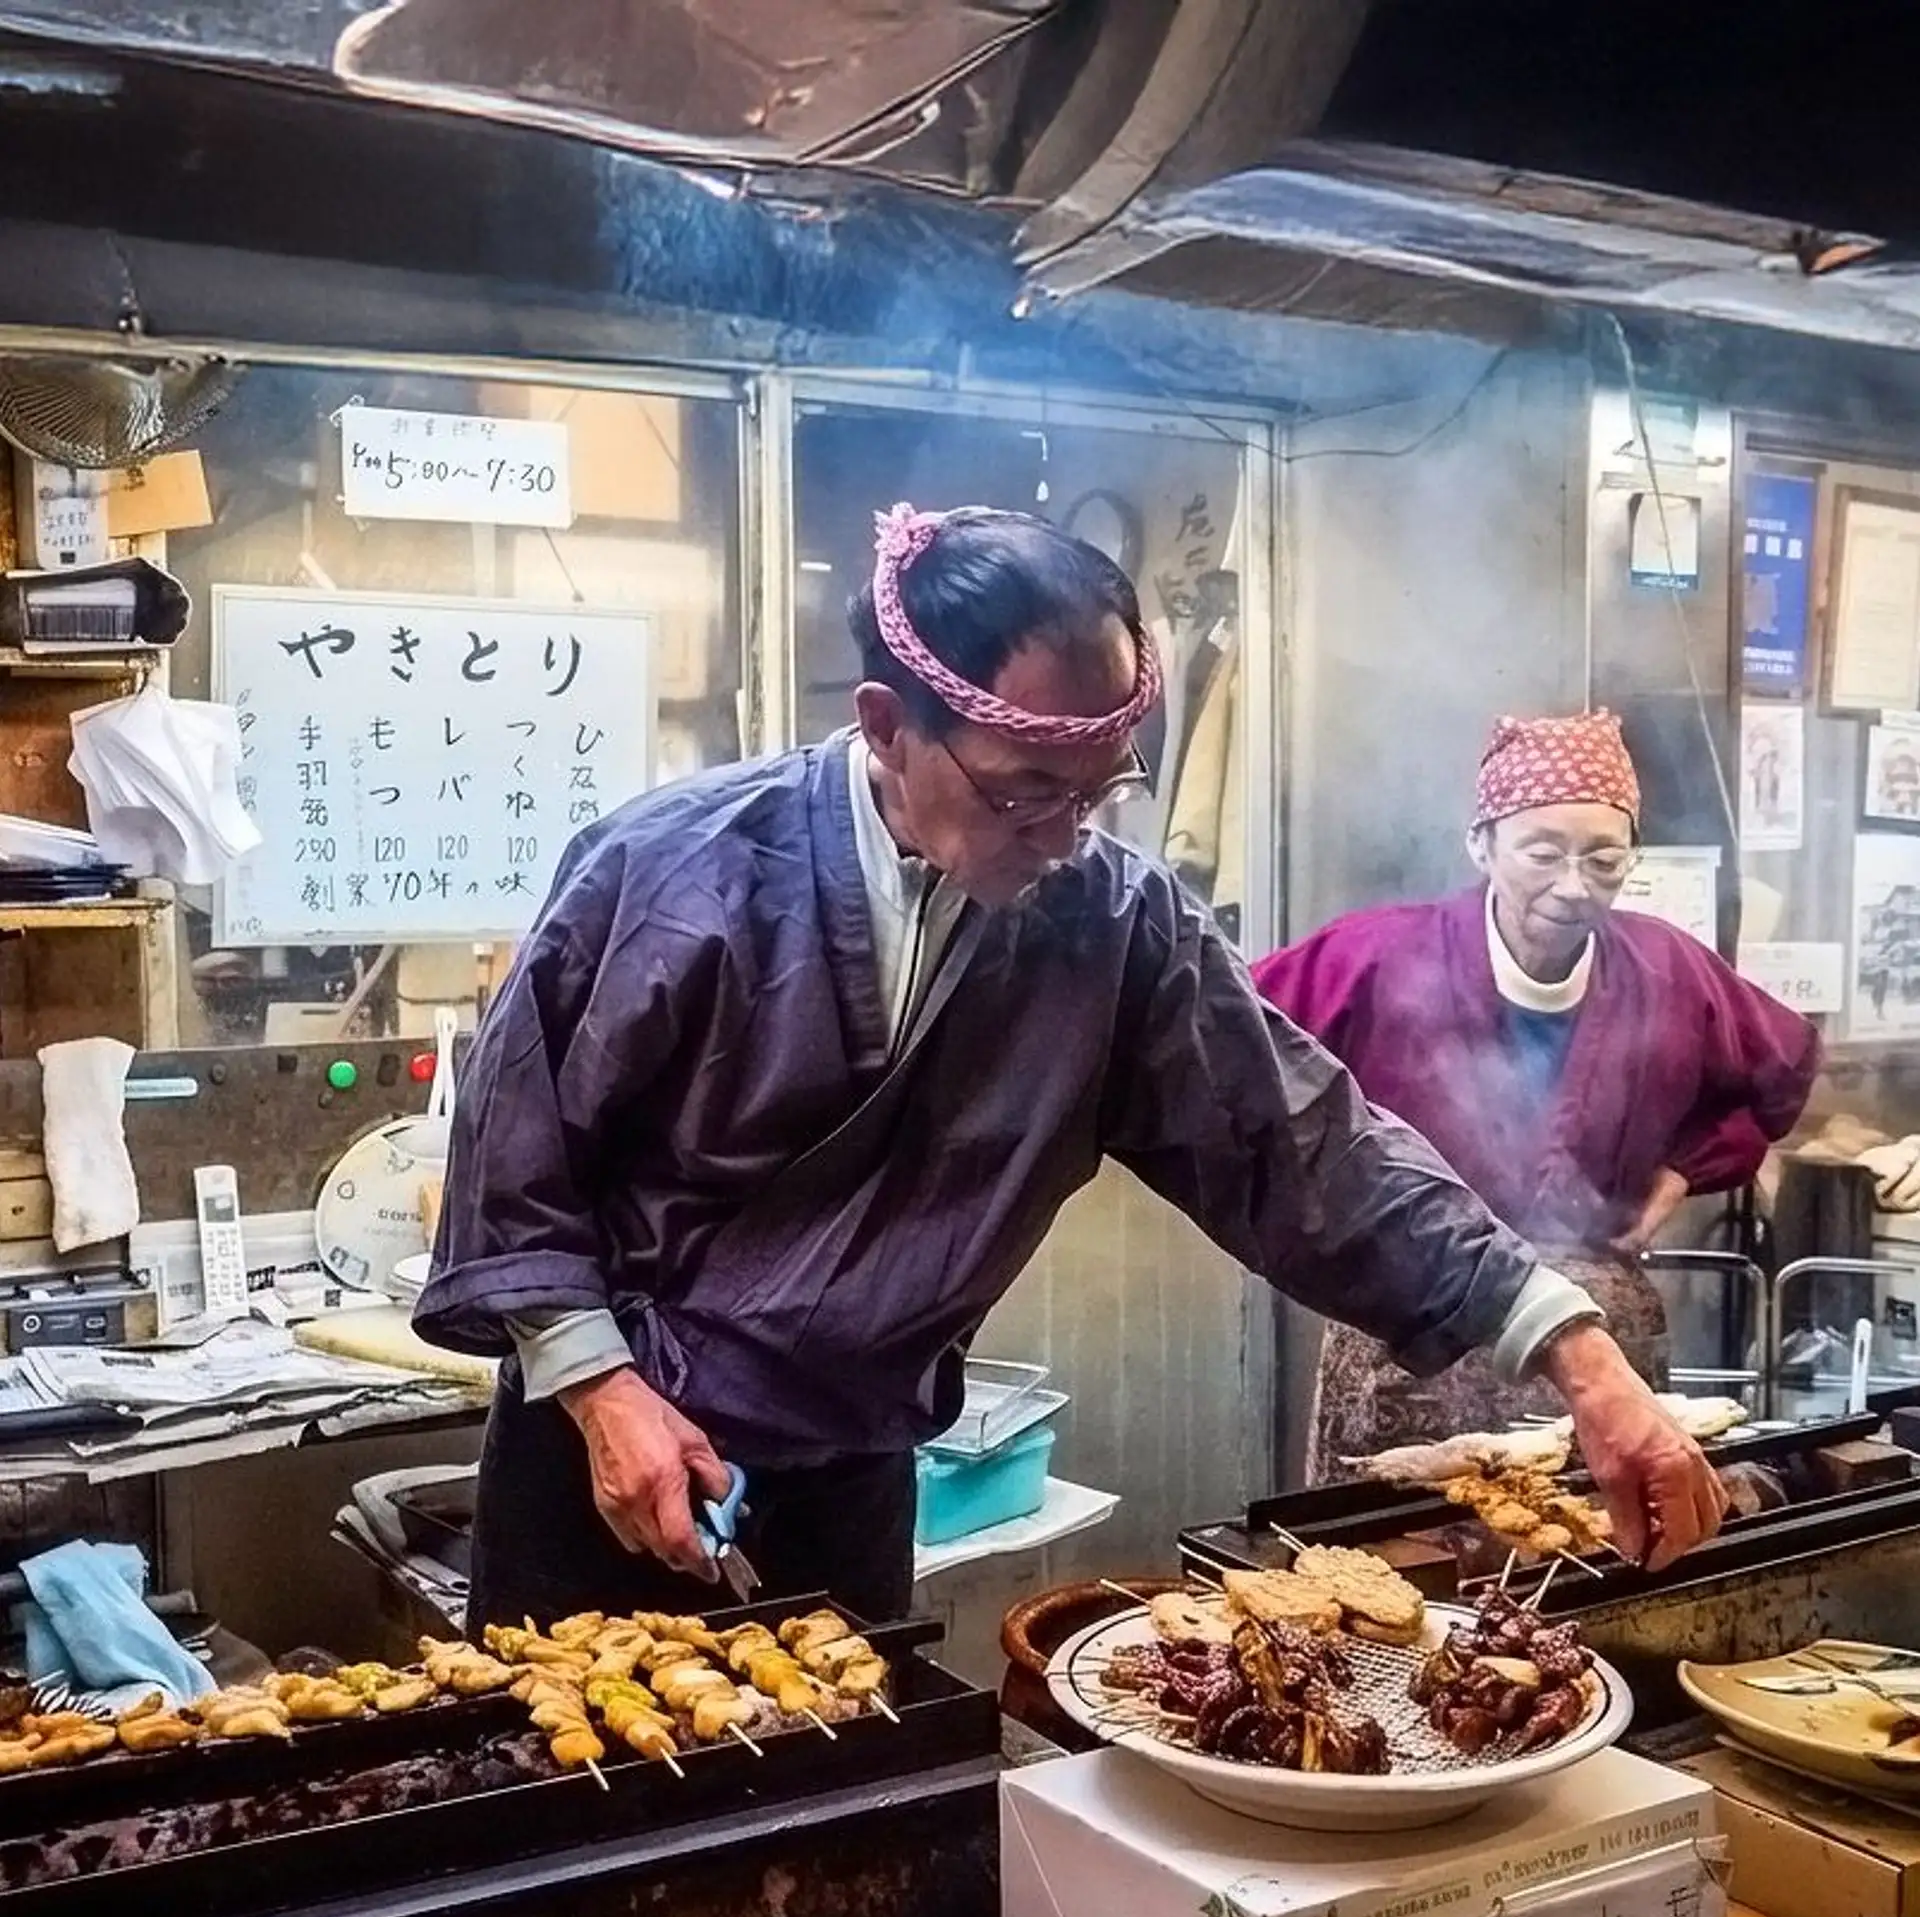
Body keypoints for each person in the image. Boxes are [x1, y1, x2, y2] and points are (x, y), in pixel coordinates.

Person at [415, 518, 1728, 1631]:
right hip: (608, 1459)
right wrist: (596, 1386)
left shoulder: (1112, 926)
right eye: (1022, 790)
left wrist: (1586, 1362)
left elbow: (1313, 1149)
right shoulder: (672, 868)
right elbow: (519, 1152)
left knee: (840, 1834)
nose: (1063, 837)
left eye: (1098, 793)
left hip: (848, 1474)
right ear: (886, 724)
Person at [1253, 710, 1819, 1478]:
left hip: (1601, 1342)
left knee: (1601, 1564)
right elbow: (1233, 1057)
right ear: (1481, 844)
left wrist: (1683, 1173)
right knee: (1390, 1572)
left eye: (1604, 859)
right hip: (1407, 1334)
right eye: (1543, 852)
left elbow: (1778, 1071)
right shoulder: (1375, 958)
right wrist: (1326, 1207)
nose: (1573, 886)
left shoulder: (1668, 971)